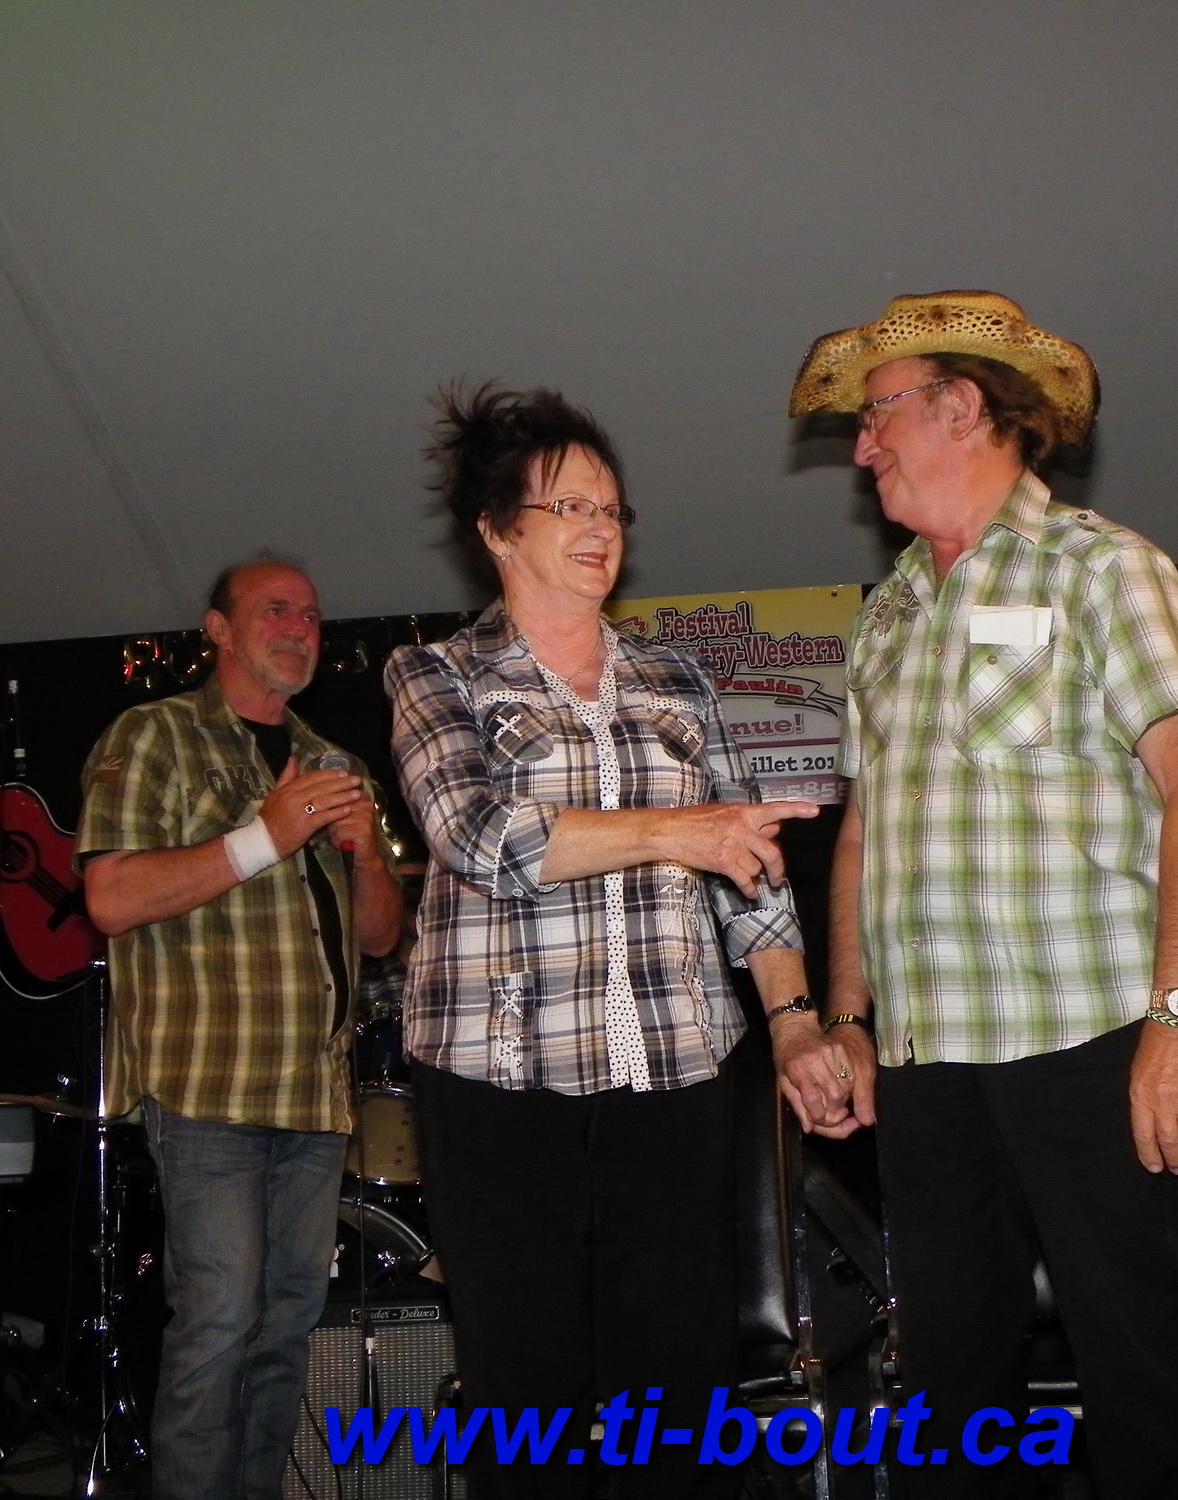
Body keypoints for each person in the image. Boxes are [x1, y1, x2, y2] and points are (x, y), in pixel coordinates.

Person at [786, 292, 1178, 1498]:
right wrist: (848, 1016)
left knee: (1146, 1371)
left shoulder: (1100, 566)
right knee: (950, 1396)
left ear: (961, 408)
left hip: (1087, 1036)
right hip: (929, 1058)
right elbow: (863, 834)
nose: (862, 447)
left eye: (879, 415)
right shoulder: (886, 616)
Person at [384, 385, 847, 1499]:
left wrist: (794, 1026)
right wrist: (676, 830)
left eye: (612, 509)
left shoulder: (676, 679)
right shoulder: (435, 674)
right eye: (569, 507)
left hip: (675, 1071)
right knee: (527, 1397)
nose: (600, 529)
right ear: (498, 530)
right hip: (500, 1082)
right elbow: (478, 836)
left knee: (677, 1393)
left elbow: (750, 868)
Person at [77, 555, 405, 1500]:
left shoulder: (335, 764)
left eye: (312, 616)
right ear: (218, 629)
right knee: (219, 1322)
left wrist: (365, 857)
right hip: (209, 1087)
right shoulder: (154, 735)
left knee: (285, 1329)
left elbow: (381, 937)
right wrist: (267, 836)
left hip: (316, 1094)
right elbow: (109, 897)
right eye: (276, 610)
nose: (299, 628)